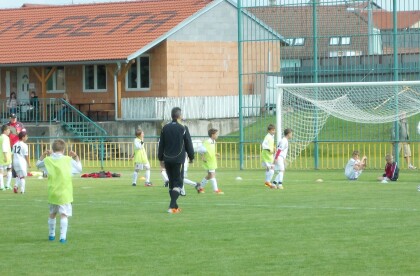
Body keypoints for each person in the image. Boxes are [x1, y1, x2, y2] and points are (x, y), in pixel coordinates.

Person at [36, 139, 82, 243]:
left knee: (52, 213)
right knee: (64, 214)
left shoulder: (48, 160)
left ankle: (51, 234)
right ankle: (62, 237)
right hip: (65, 192)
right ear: (64, 149)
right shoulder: (67, 160)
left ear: (52, 149)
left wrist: (44, 155)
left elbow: (38, 164)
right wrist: (76, 157)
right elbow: (79, 169)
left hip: (53, 192)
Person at [158, 107, 195, 214]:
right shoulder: (183, 128)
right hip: (178, 160)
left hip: (167, 159)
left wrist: (160, 158)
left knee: (172, 183)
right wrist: (191, 157)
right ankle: (171, 206)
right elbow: (189, 144)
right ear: (180, 116)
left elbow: (161, 144)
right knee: (178, 183)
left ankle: (175, 206)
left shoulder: (165, 128)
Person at [197, 128, 224, 194]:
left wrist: (215, 153)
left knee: (209, 175)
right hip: (208, 161)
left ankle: (200, 188)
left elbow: (209, 151)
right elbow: (200, 150)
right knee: (212, 175)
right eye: (216, 134)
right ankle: (216, 190)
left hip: (212, 161)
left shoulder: (213, 141)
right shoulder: (207, 142)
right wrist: (203, 157)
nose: (217, 135)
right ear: (212, 135)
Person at [261, 124, 276, 188]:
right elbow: (264, 145)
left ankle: (267, 182)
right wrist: (270, 150)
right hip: (266, 155)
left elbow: (270, 144)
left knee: (268, 169)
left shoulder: (272, 136)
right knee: (272, 169)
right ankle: (268, 182)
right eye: (272, 130)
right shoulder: (268, 137)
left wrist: (273, 148)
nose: (274, 131)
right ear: (268, 131)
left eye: (274, 130)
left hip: (269, 155)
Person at [0, 125, 12, 190]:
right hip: (6, 157)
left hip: (1, 156)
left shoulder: (1, 137)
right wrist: (5, 156)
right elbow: (4, 147)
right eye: (8, 130)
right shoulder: (6, 138)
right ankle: (7, 185)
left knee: (1, 171)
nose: (9, 131)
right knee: (8, 170)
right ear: (4, 131)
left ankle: (2, 186)